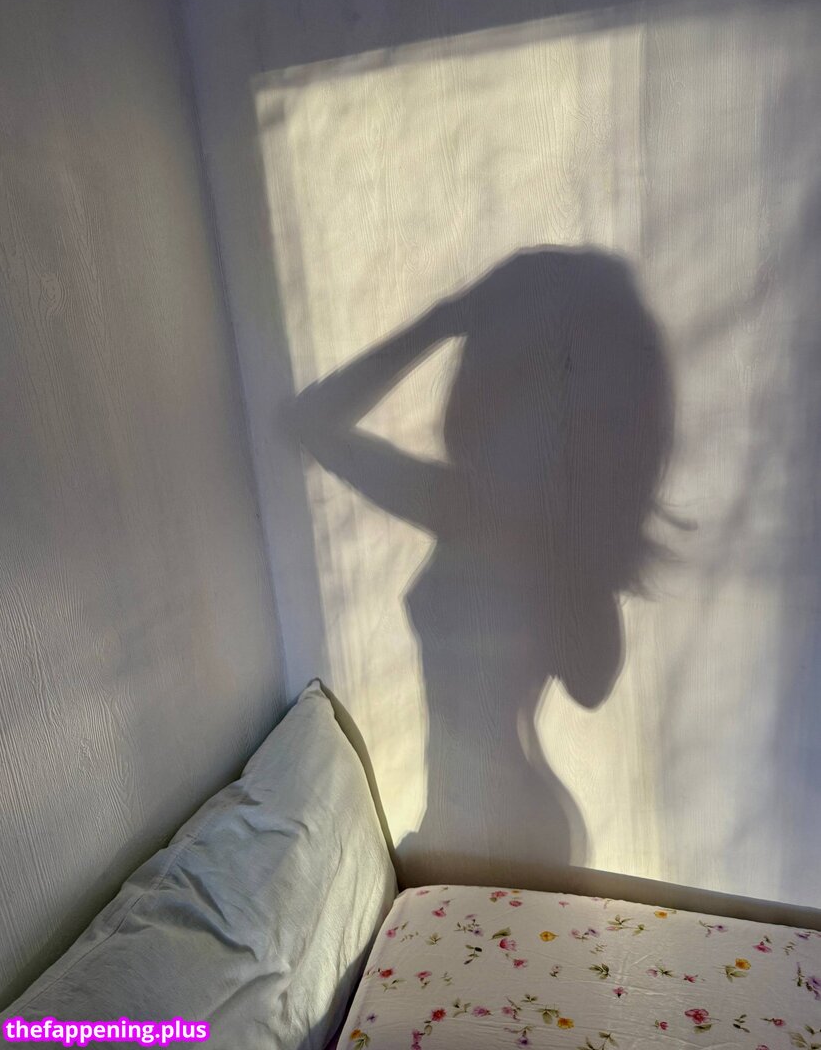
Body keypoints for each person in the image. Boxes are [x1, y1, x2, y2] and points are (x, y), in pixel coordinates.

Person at [287, 246, 673, 884]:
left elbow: (593, 677)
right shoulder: (472, 508)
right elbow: (311, 423)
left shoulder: (485, 516)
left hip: (503, 836)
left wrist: (443, 320)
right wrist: (446, 317)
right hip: (473, 826)